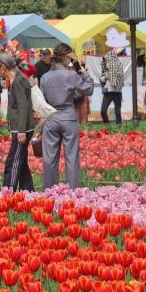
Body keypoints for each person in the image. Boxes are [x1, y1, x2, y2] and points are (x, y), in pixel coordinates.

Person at [39, 43, 94, 189]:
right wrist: (79, 67)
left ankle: (49, 192)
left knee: (49, 159)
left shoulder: (45, 77)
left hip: (50, 117)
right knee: (72, 157)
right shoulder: (71, 75)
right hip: (68, 117)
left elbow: (41, 100)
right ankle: (73, 191)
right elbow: (88, 89)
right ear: (66, 57)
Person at [0, 55, 34, 192]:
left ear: (3, 67)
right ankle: (28, 191)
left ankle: (8, 192)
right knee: (22, 164)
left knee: (13, 162)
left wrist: (21, 130)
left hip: (21, 129)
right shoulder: (18, 79)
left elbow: (23, 107)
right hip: (20, 128)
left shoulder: (18, 81)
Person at [100, 49, 125, 124]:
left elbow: (121, 77)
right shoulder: (105, 68)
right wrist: (105, 77)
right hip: (107, 92)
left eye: (107, 60)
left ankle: (119, 129)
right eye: (106, 60)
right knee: (103, 111)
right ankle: (107, 125)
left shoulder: (118, 65)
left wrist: (113, 78)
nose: (106, 62)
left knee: (118, 112)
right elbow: (101, 79)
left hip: (117, 91)